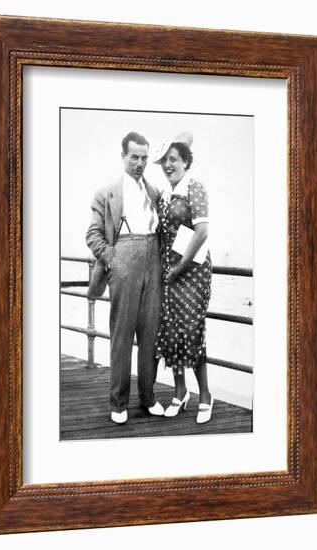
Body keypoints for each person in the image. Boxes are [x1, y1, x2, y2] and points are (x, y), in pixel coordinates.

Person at [86, 131, 164, 424]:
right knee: (121, 335)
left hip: (153, 259)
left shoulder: (154, 192)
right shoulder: (106, 194)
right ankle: (118, 402)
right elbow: (92, 235)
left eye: (144, 158)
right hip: (124, 259)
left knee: (150, 334)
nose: (140, 163)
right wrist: (113, 258)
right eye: (134, 157)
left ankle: (148, 397)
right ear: (123, 157)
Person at [154, 132, 214, 423]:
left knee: (191, 330)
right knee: (170, 330)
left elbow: (202, 232)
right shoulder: (164, 195)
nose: (168, 165)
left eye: (173, 159)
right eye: (165, 160)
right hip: (169, 271)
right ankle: (180, 392)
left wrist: (180, 267)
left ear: (185, 162)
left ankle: (205, 394)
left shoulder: (195, 187)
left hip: (192, 272)